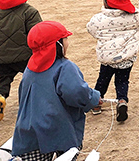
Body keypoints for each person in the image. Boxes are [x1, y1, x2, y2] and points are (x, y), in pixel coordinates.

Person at [12, 21, 101, 160]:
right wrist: (94, 99)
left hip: (28, 130)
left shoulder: (30, 68)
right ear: (57, 44)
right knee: (67, 156)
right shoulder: (64, 67)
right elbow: (77, 92)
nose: (67, 42)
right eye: (65, 39)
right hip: (57, 129)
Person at [86, 0, 139, 122]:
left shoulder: (98, 19)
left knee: (102, 80)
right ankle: (122, 101)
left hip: (107, 58)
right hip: (127, 58)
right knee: (122, 81)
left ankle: (96, 104)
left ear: (106, 0)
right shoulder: (135, 16)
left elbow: (90, 29)